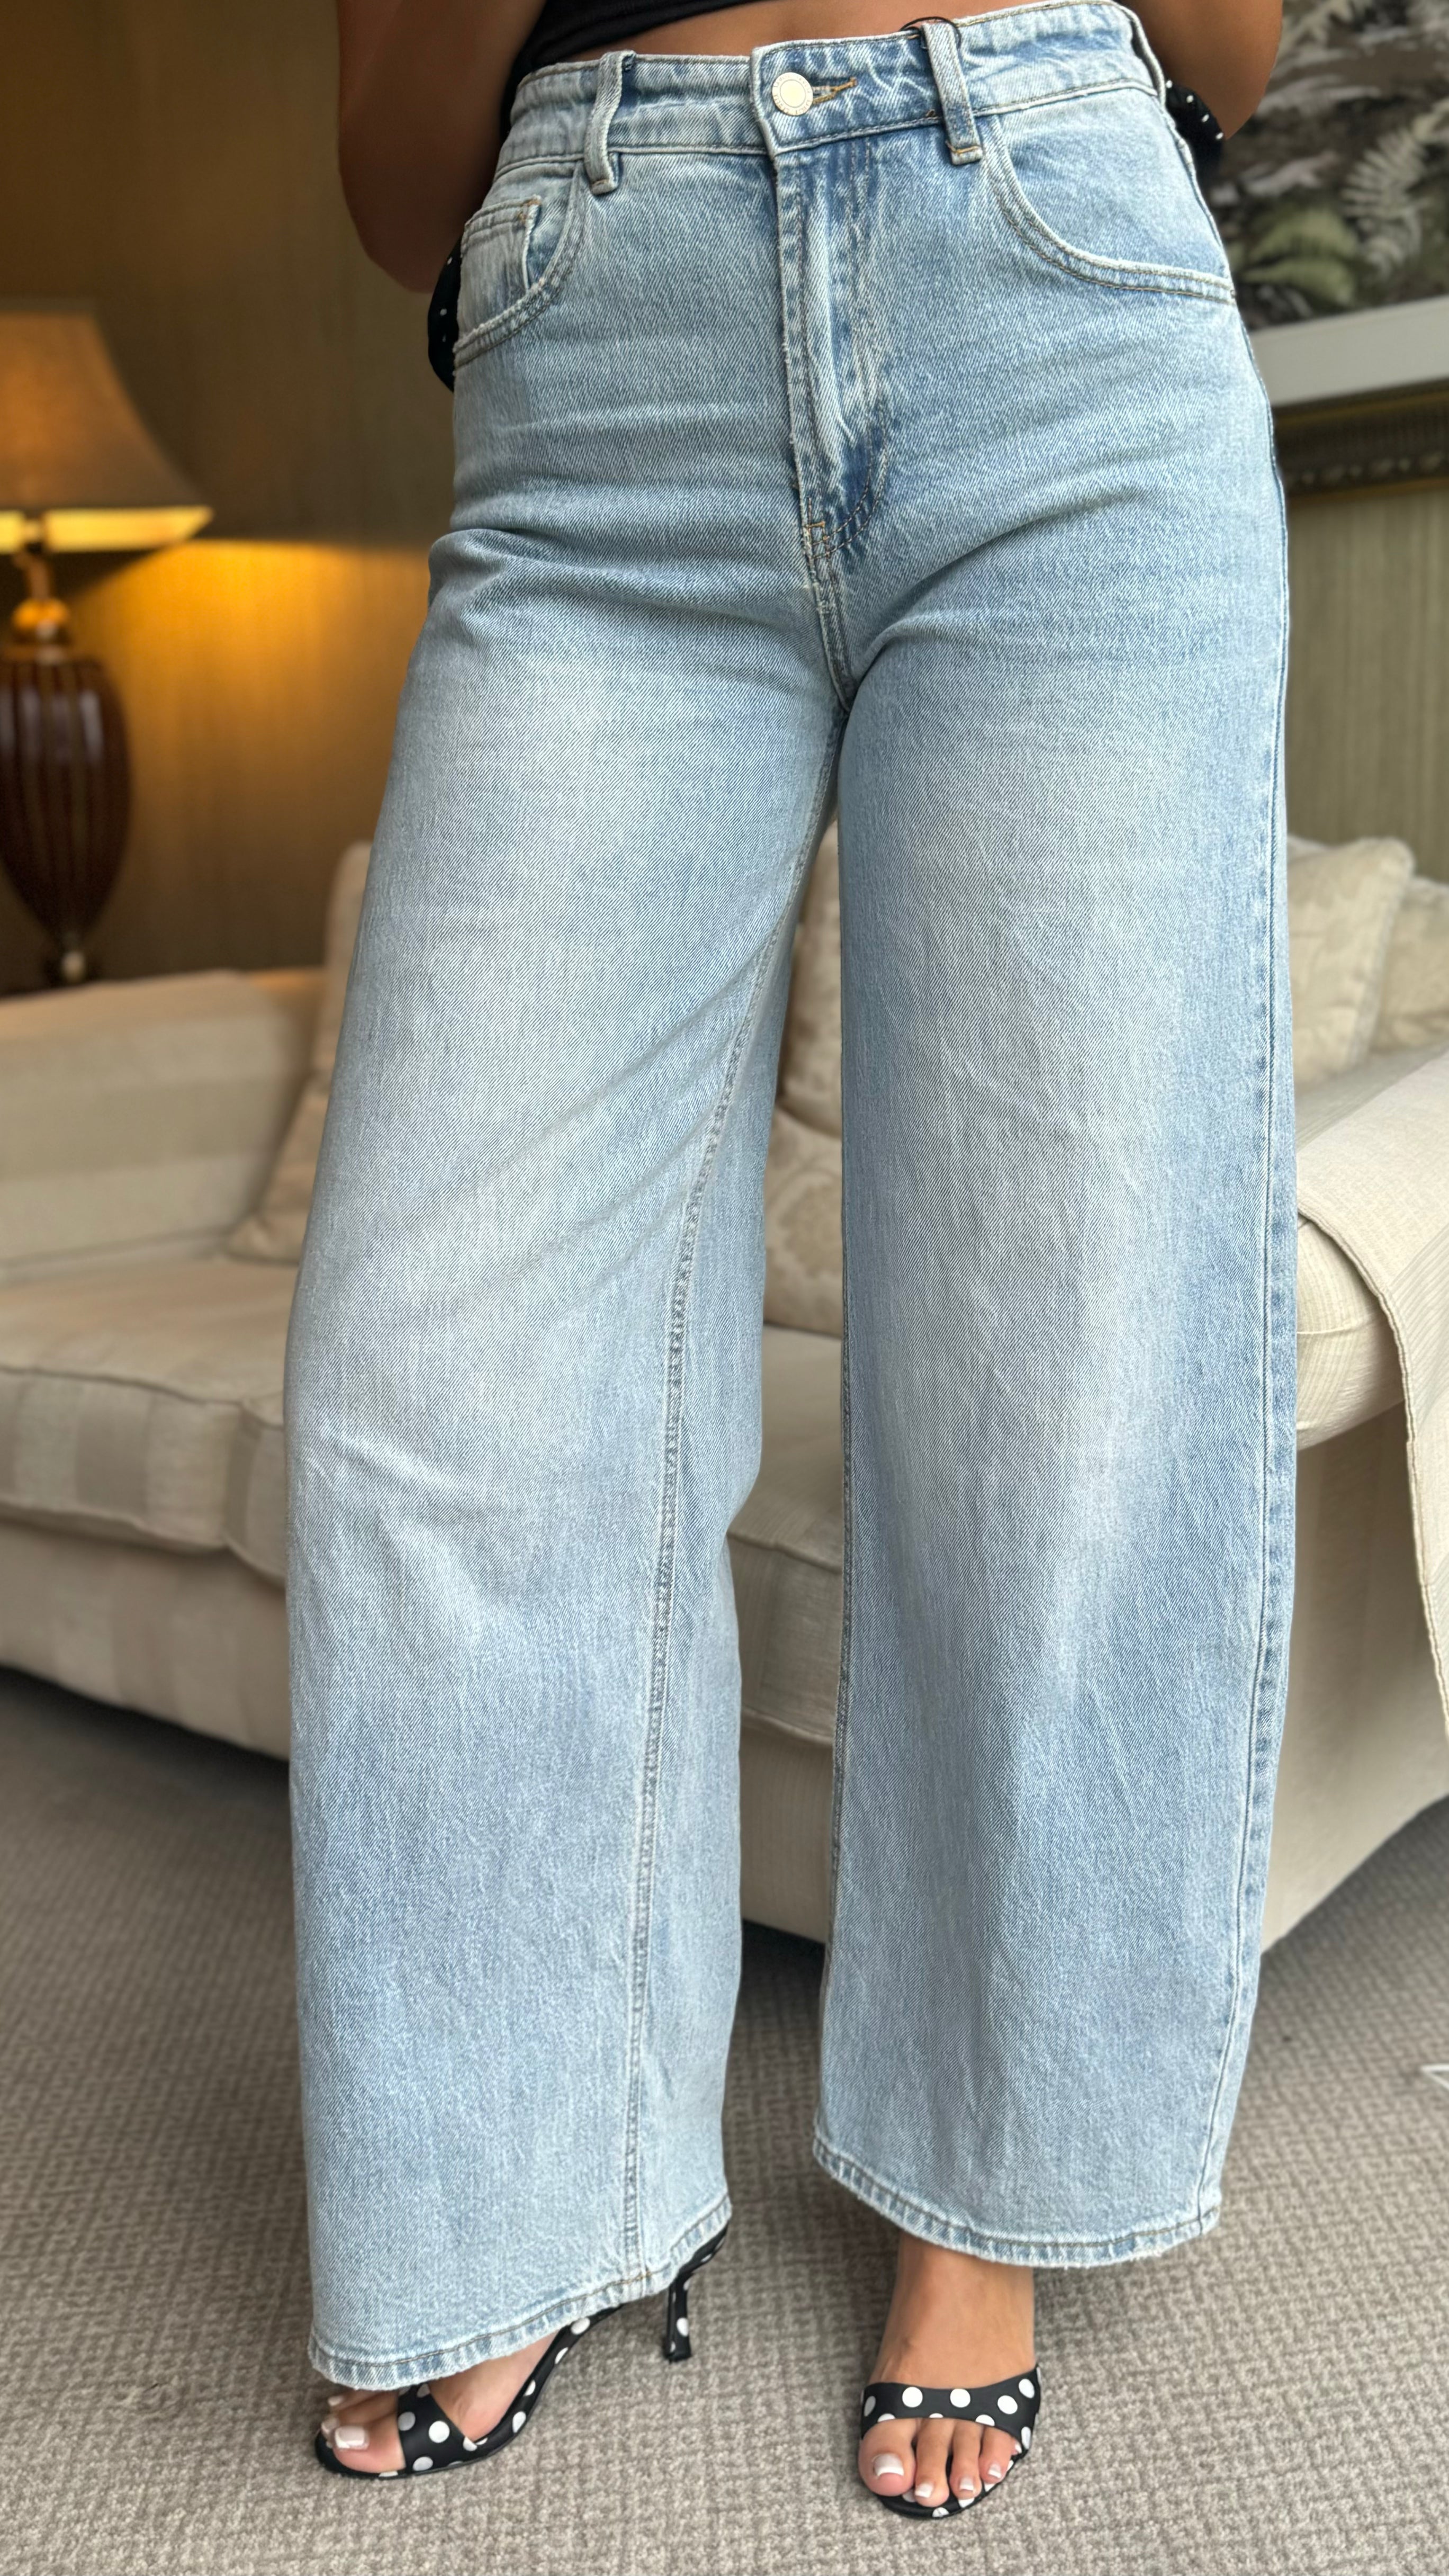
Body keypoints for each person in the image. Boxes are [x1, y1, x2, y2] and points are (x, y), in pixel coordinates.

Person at [294, 0, 1290, 2519]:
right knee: (436, 1379)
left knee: (1055, 1349)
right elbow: (398, 193)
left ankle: (981, 2179)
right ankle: (508, 2173)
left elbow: (1244, 49)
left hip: (1048, 271)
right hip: (592, 351)